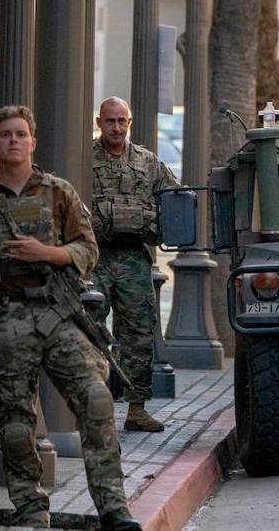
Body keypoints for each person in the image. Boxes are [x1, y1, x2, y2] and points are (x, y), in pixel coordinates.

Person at [0, 105, 140, 531]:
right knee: (16, 422)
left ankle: (113, 508)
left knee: (96, 400)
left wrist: (49, 254)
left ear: (33, 142)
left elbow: (87, 247)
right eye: (5, 135)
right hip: (7, 317)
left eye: (21, 134)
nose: (14, 141)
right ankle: (31, 510)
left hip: (59, 312)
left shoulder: (59, 193)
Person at [90, 97, 178, 432]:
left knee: (139, 334)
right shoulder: (84, 158)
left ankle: (136, 409)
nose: (115, 127)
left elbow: (175, 199)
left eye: (121, 121)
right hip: (93, 259)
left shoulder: (147, 162)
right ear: (99, 122)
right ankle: (92, 407)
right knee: (90, 332)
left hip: (133, 259)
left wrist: (153, 224)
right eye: (109, 121)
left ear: (129, 123)